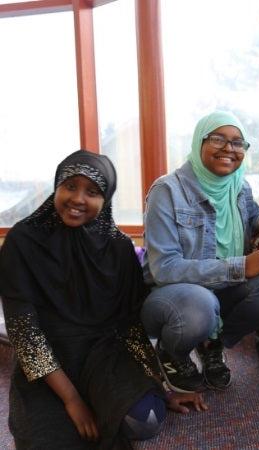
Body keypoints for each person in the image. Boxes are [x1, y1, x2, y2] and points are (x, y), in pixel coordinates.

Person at [0, 150, 206, 449]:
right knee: (47, 441)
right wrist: (71, 400)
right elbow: (25, 334)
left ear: (106, 197)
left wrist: (161, 388)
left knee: (144, 419)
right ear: (56, 187)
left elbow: (130, 326)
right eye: (70, 186)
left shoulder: (118, 248)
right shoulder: (23, 241)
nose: (78, 199)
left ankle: (102, 399)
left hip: (103, 354)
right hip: (48, 360)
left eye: (92, 191)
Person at [141, 111, 259, 392]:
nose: (229, 149)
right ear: (199, 142)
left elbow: (249, 215)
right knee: (200, 304)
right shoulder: (167, 191)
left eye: (238, 143)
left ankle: (214, 345)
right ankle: (172, 351)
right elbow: (164, 269)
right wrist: (240, 267)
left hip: (220, 289)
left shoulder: (238, 186)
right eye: (218, 139)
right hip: (174, 296)